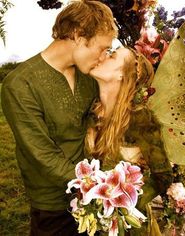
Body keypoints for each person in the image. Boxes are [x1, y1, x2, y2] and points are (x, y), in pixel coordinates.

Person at [1, 1, 117, 235]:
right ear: (77, 34)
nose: (104, 57)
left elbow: (98, 125)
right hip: (51, 201)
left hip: (88, 193)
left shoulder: (88, 78)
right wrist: (95, 183)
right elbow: (41, 153)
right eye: (102, 48)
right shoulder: (20, 84)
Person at [85, 47, 173, 235]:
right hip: (90, 221)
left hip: (127, 226)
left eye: (112, 55)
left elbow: (164, 176)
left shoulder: (140, 119)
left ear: (121, 76)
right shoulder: (90, 113)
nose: (104, 56)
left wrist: (124, 203)